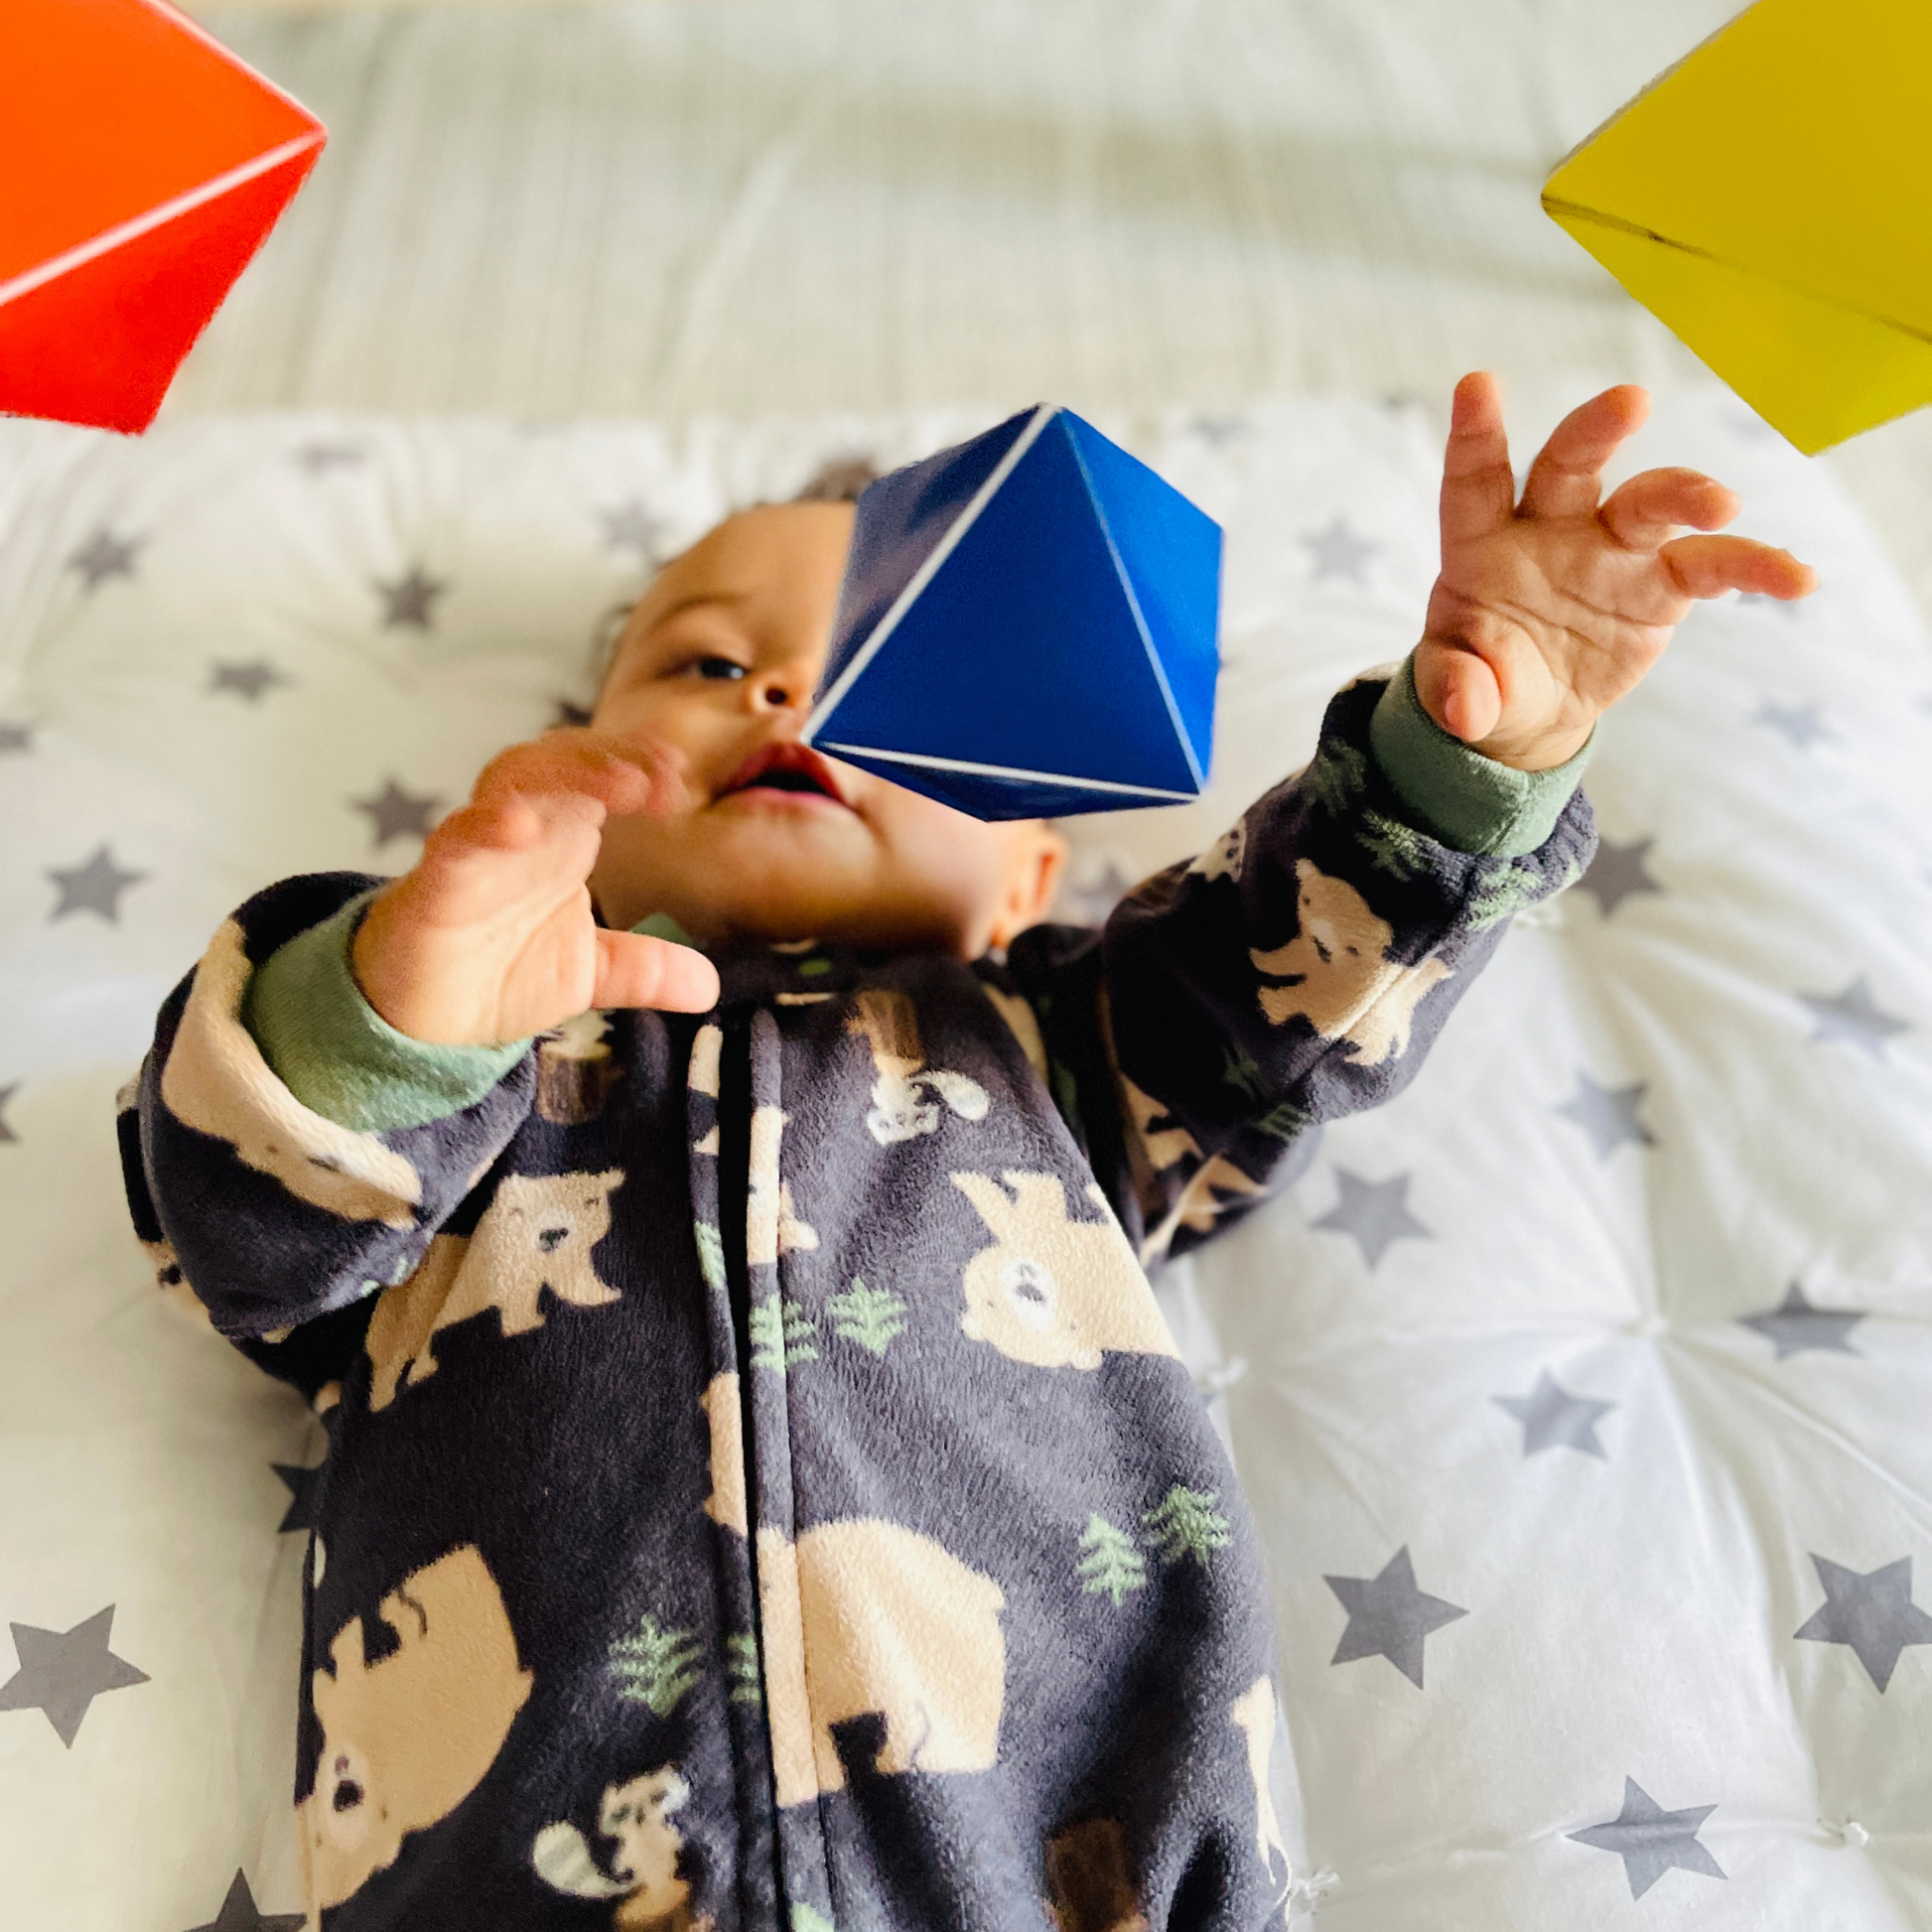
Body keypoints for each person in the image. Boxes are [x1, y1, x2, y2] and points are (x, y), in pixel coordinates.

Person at [121, 375, 1812, 1930]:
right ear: (584, 791)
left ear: (1027, 877)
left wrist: (1461, 764)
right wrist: (395, 997)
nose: (789, 697)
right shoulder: (476, 1076)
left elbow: (1298, 979)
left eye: (896, 685)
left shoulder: (1066, 1048)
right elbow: (242, 1232)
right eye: (708, 666)